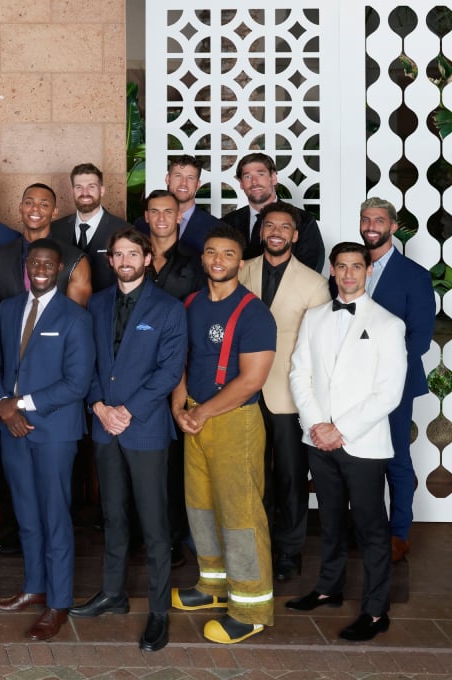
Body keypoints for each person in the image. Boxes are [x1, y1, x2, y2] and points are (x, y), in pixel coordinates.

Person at [286, 242, 406, 641]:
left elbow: (389, 393)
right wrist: (318, 424)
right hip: (317, 439)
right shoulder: (315, 316)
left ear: (368, 271)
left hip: (363, 444)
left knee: (372, 528)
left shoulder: (389, 324)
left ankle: (375, 611)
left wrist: (341, 429)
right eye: (342, 267)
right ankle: (328, 588)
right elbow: (298, 373)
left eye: (357, 266)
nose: (350, 274)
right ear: (333, 271)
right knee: (331, 521)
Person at [73, 230, 186, 651]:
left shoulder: (169, 309)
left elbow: (169, 371)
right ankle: (113, 593)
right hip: (104, 426)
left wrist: (129, 410)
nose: (124, 260)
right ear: (110, 260)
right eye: (117, 254)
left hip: (145, 428)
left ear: (148, 259)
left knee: (155, 525)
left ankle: (159, 611)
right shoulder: (98, 304)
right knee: (113, 516)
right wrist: (100, 405)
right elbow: (86, 361)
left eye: (132, 254)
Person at [170, 224, 276, 644]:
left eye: (228, 254)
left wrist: (203, 412)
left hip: (234, 422)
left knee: (241, 515)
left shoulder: (254, 313)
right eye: (211, 252)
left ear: (241, 261)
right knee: (200, 506)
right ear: (202, 258)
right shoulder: (191, 303)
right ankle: (213, 585)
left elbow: (252, 380)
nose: (218, 260)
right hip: (193, 416)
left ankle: (251, 607)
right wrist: (180, 405)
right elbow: (180, 359)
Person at [0, 239, 94, 641]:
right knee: (26, 515)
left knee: (54, 516)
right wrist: (3, 403)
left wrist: (21, 405)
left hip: (53, 431)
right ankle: (34, 587)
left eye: (48, 263)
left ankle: (59, 601)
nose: (40, 269)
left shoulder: (74, 316)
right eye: (34, 262)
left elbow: (77, 382)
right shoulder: (10, 309)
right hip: (12, 428)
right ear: (25, 266)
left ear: (60, 267)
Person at [237, 202, 331, 581]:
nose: (276, 232)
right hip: (242, 391)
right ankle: (254, 545)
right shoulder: (240, 271)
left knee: (291, 476)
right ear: (261, 232)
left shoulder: (314, 283)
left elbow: (318, 350)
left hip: (288, 395)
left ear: (295, 235)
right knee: (249, 474)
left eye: (284, 227)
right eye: (269, 225)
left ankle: (289, 552)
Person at [356, 198, 437, 562]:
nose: (371, 225)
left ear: (392, 226)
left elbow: (419, 339)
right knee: (357, 459)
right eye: (366, 219)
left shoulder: (415, 275)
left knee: (396, 459)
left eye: (379, 220)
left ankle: (399, 534)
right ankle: (364, 530)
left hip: (395, 383)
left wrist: (378, 373)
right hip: (348, 384)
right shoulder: (350, 267)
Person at [0, 183, 90, 315]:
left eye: (44, 205)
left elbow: (76, 318)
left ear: (55, 212)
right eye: (29, 203)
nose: (35, 209)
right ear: (20, 207)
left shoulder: (75, 260)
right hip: (10, 335)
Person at [221, 153, 325, 269]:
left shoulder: (303, 221)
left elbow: (310, 271)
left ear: (273, 178)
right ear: (241, 184)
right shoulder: (227, 223)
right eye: (247, 176)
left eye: (261, 174)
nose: (254, 182)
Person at [48, 163, 127, 293]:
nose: (85, 193)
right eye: (79, 187)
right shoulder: (55, 229)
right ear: (72, 191)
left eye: (91, 187)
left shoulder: (123, 230)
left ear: (102, 190)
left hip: (106, 309)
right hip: (64, 310)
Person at [134, 155, 220, 254]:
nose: (183, 183)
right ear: (168, 179)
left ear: (198, 184)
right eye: (178, 176)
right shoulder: (141, 225)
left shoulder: (215, 228)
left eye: (190, 178)